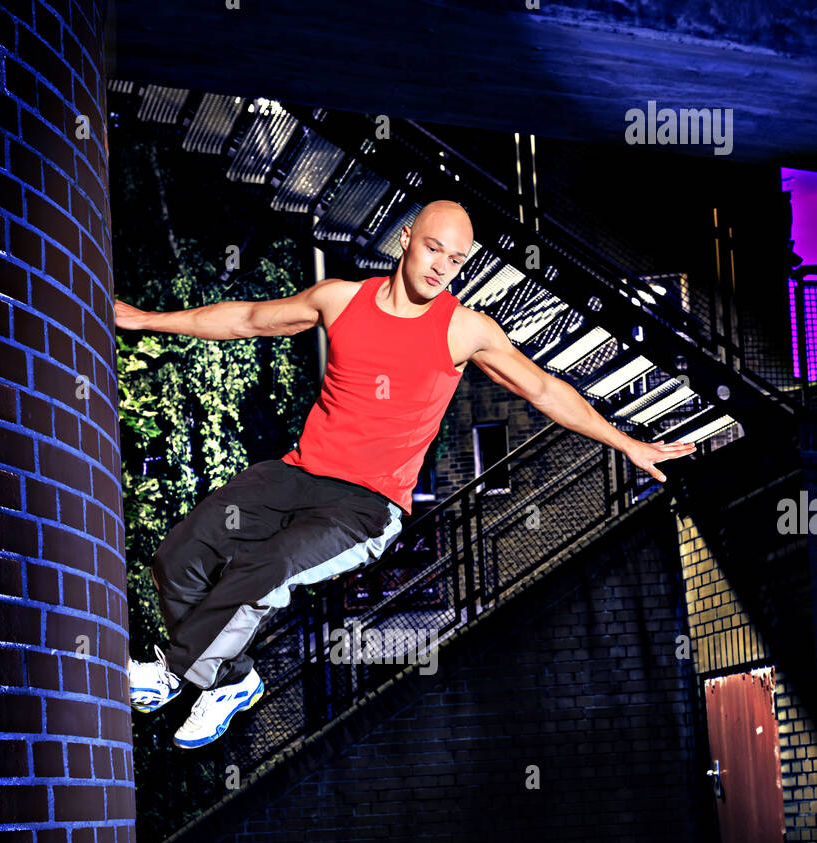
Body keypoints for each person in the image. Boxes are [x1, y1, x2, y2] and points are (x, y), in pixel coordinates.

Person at [116, 199, 695, 749]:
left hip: (366, 508)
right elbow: (246, 319)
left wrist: (628, 444)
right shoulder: (340, 300)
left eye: (457, 261)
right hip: (299, 475)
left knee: (270, 566)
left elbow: (543, 389)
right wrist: (144, 320)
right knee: (182, 554)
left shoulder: (463, 330)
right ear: (405, 241)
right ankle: (231, 680)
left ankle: (174, 673)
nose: (442, 268)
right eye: (434, 250)